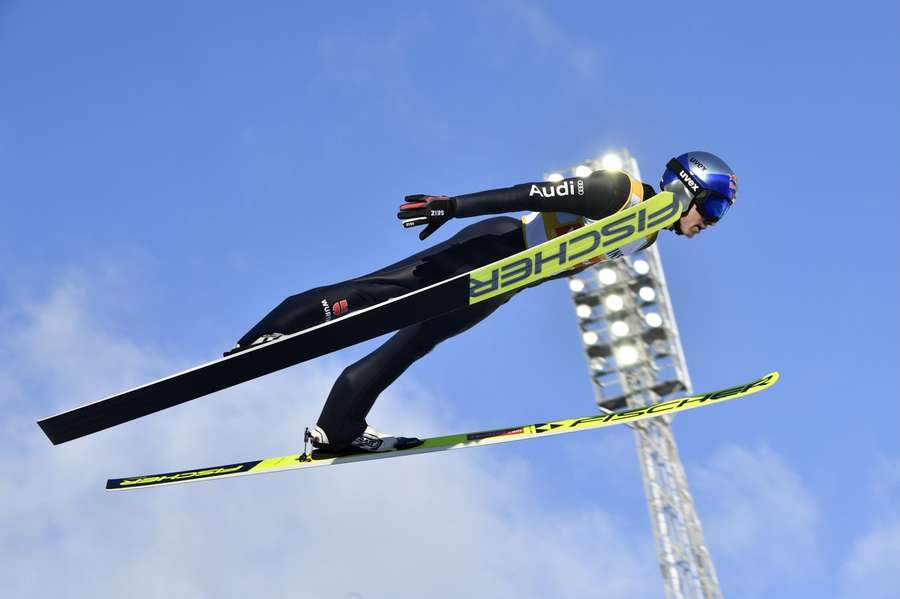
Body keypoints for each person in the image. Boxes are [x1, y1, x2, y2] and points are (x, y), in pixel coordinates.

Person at [225, 151, 738, 454]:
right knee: (378, 292)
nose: (710, 223)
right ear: (687, 187)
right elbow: (531, 195)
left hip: (503, 283)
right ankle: (267, 339)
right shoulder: (619, 192)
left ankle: (337, 429)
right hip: (496, 246)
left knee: (412, 344)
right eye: (712, 207)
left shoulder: (642, 238)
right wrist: (454, 206)